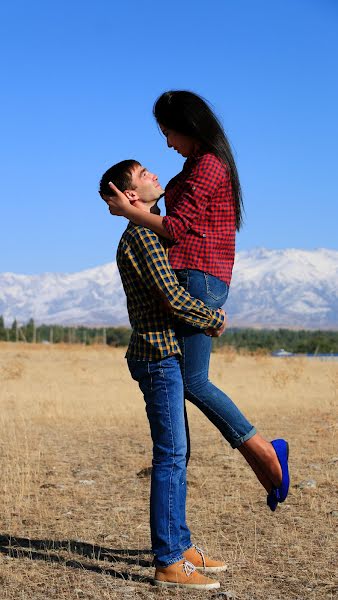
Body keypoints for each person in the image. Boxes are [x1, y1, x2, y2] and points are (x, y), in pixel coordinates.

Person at [102, 91, 290, 513]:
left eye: (169, 133)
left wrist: (129, 212)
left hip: (198, 279)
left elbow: (177, 227)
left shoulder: (208, 165)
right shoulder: (193, 167)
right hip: (198, 279)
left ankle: (264, 452)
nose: (168, 143)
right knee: (187, 381)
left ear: (188, 126)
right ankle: (261, 454)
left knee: (192, 381)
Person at [100, 159, 228, 590]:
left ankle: (180, 543)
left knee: (179, 452)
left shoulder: (147, 230)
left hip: (163, 354)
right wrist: (211, 318)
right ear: (131, 195)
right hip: (157, 356)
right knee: (170, 455)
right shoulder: (142, 235)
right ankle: (169, 561)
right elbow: (172, 296)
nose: (155, 174)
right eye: (143, 175)